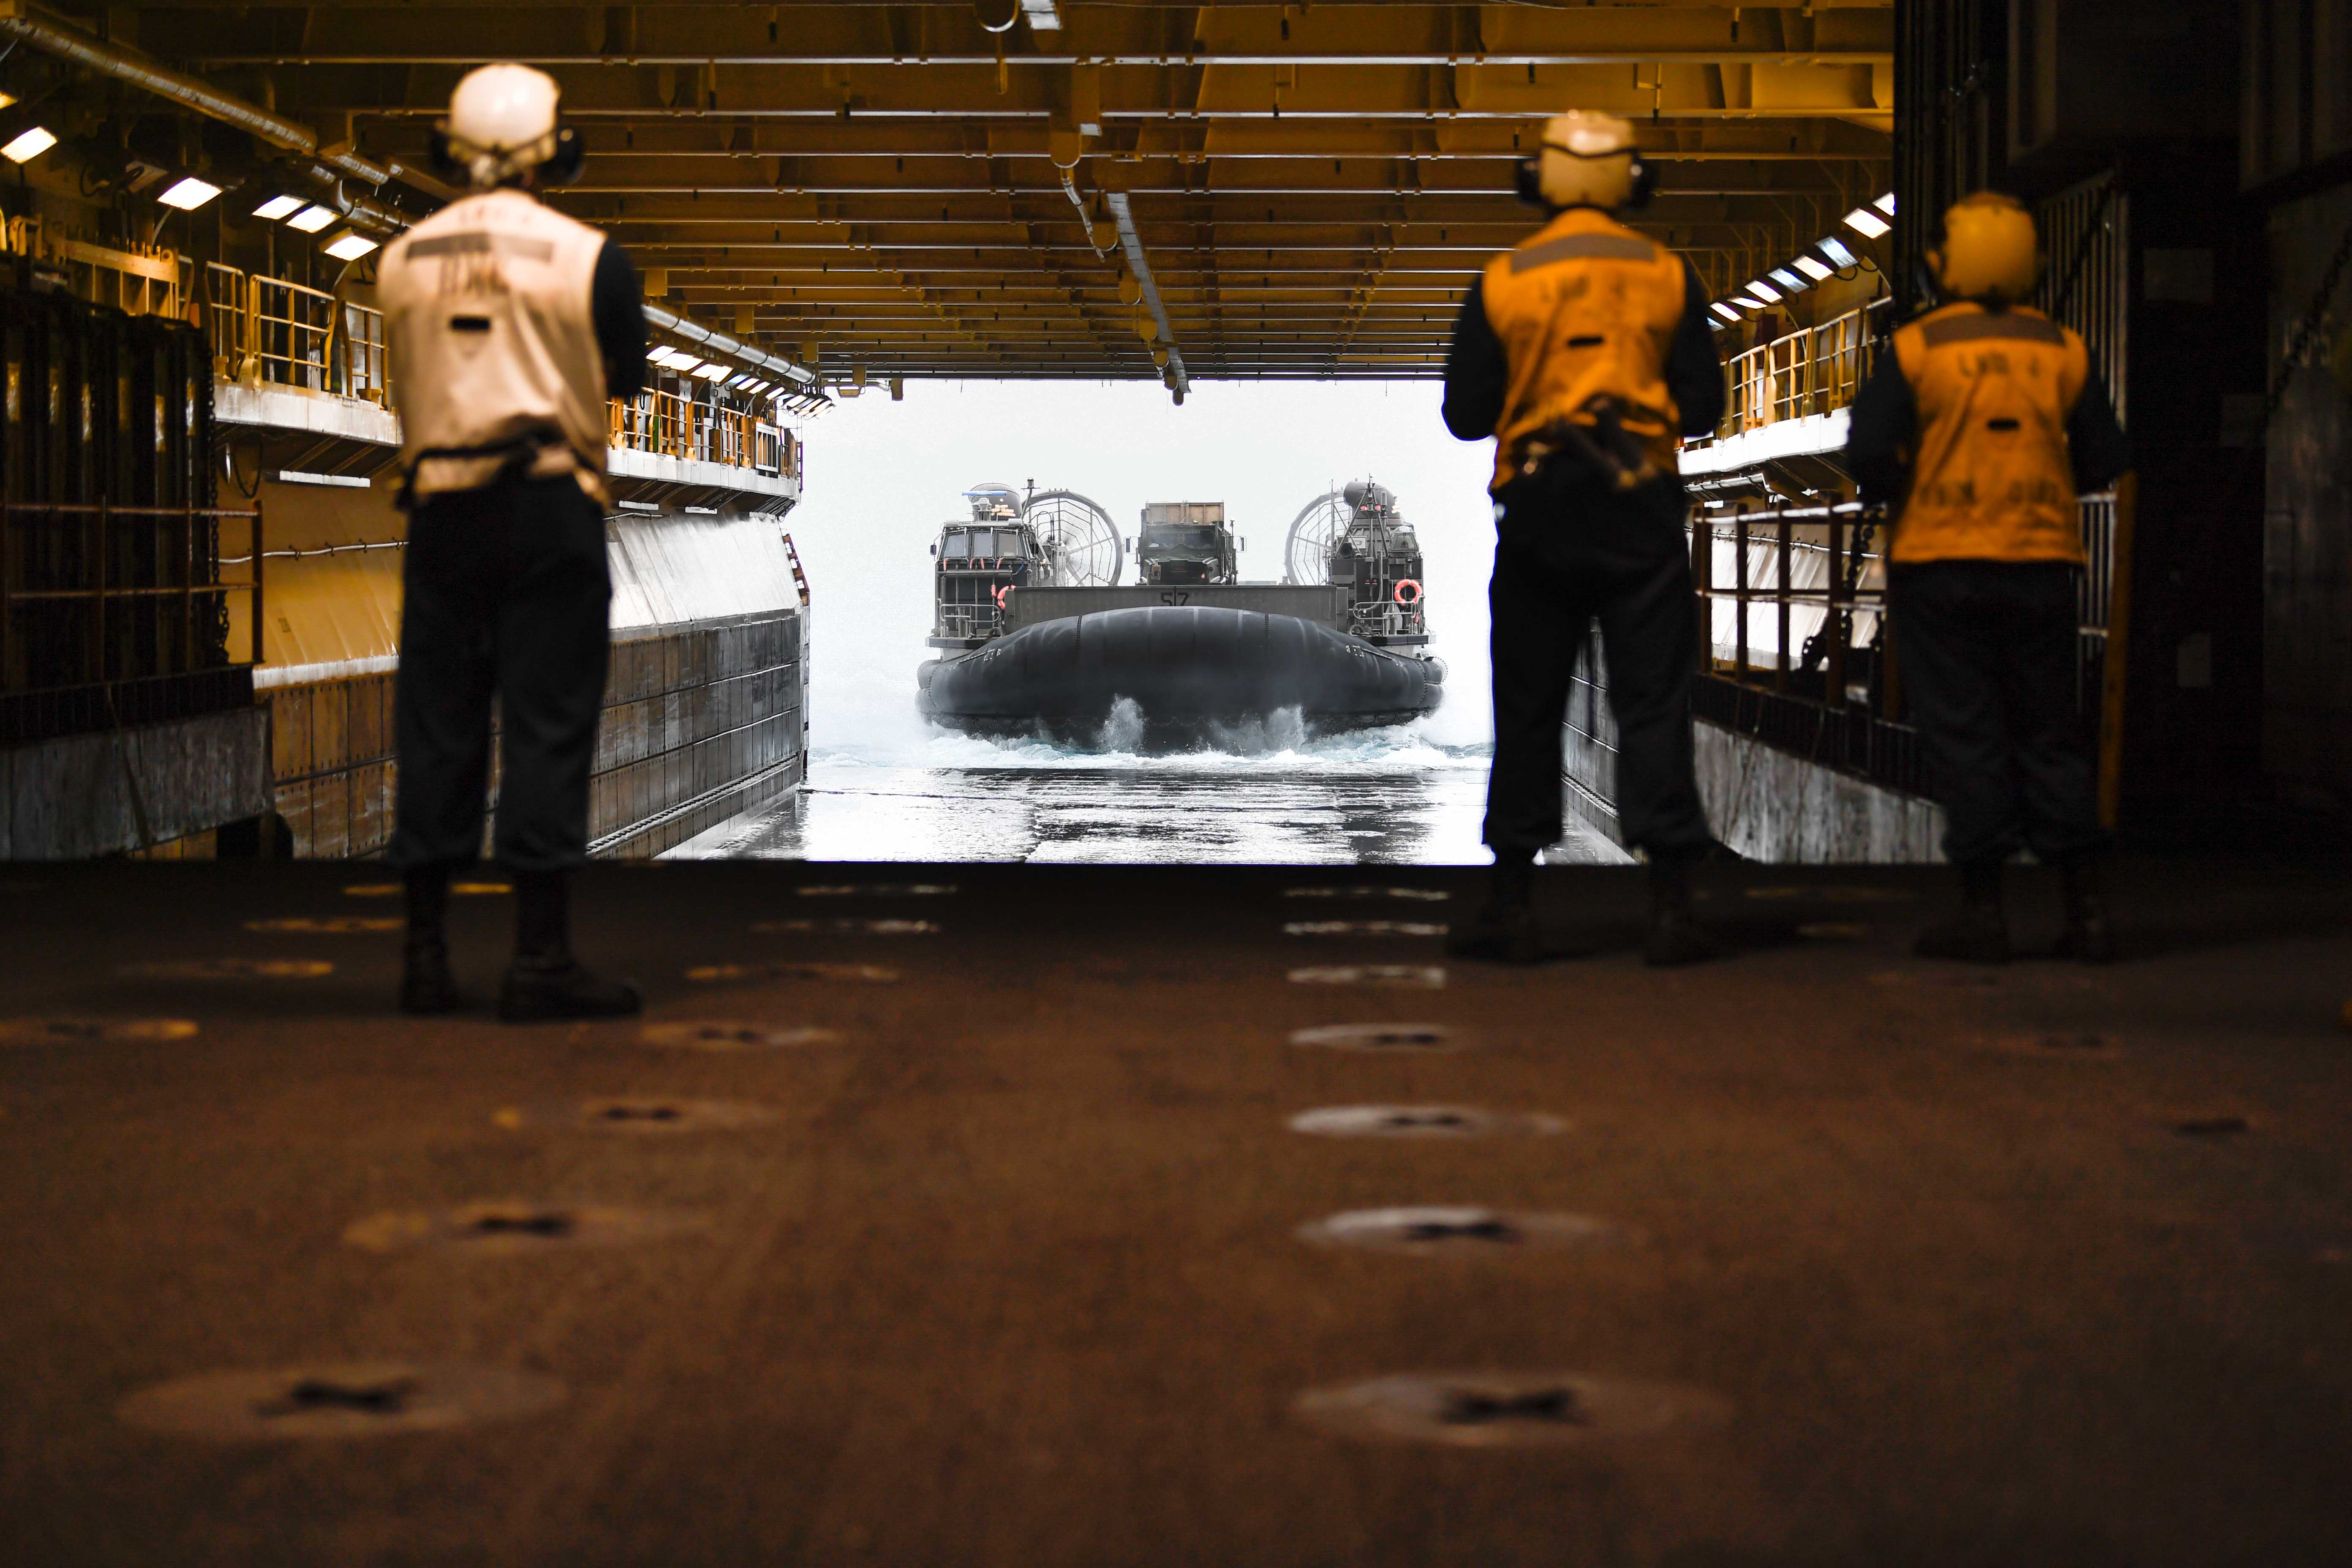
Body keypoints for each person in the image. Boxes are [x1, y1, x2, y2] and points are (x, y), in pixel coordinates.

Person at [376, 63, 648, 1020]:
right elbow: (627, 374)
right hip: (547, 511)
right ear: (552, 153)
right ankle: (539, 960)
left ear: (450, 151)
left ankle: (424, 957)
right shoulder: (589, 259)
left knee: (437, 727)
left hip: (441, 514)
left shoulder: (400, 260)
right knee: (546, 726)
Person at [1440, 110, 1726, 966]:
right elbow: (1704, 407)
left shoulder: (1505, 281)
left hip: (1540, 511)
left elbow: (1466, 415)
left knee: (1529, 705)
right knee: (1653, 704)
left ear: (1540, 182)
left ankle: (1512, 904)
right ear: (1634, 182)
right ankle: (1671, 907)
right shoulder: (1666, 276)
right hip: (1641, 509)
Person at [1846, 191, 2131, 964]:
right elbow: (2105, 456)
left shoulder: (1918, 348)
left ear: (1944, 268)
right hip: (2040, 565)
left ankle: (1985, 912)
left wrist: (1911, 481)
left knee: (1967, 733)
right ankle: (2086, 910)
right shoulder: (2063, 348)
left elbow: (1868, 451)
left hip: (1940, 569)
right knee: (2050, 732)